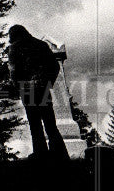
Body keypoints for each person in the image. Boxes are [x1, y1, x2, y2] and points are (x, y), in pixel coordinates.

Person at [7, 24, 69, 161]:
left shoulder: (14, 48)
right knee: (50, 123)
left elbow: (14, 72)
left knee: (35, 124)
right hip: (42, 88)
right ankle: (59, 154)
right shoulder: (41, 45)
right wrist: (48, 83)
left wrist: (18, 88)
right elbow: (54, 66)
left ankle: (40, 154)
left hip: (27, 90)